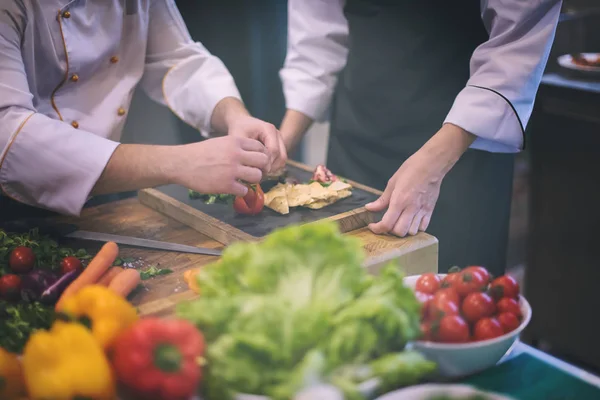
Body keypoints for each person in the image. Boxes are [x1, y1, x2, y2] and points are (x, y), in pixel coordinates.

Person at [278, 0, 562, 274]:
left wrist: (436, 161)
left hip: (461, 148)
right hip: (357, 136)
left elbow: (516, 43)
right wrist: (282, 145)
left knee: (451, 300)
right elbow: (316, 40)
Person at [0, 0, 286, 217]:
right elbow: (11, 134)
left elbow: (177, 59)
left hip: (103, 191)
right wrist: (179, 162)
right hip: (13, 205)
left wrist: (234, 115)